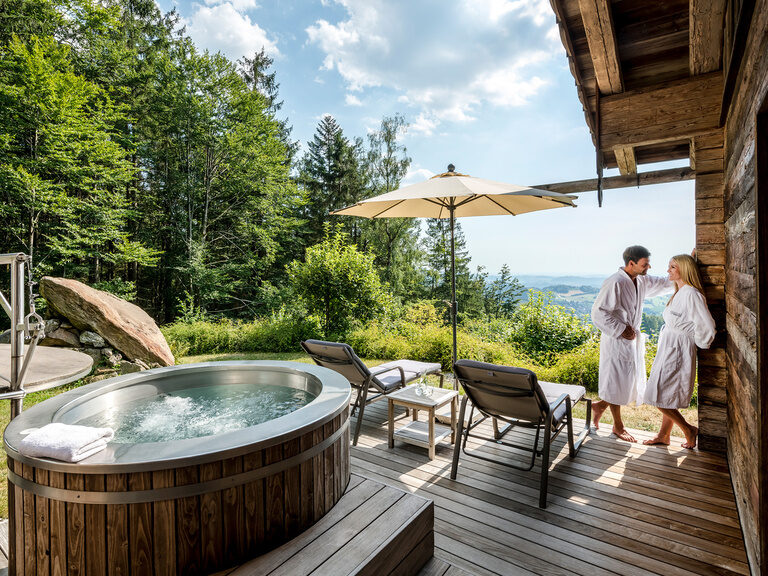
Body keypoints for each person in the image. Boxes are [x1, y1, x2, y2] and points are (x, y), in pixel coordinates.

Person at [591, 246, 673, 442]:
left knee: (624, 381)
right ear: (631, 263)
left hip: (630, 339)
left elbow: (664, 283)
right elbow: (598, 313)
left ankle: (599, 406)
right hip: (616, 340)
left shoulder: (641, 279)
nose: (649, 267)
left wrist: (690, 264)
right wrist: (621, 329)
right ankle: (618, 426)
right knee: (615, 380)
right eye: (645, 264)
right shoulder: (615, 282)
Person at [642, 254, 716, 449]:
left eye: (673, 267)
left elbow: (707, 326)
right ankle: (663, 435)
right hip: (669, 346)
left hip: (678, 350)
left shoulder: (691, 294)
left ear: (684, 270)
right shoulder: (680, 291)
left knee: (659, 396)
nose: (668, 270)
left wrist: (698, 342)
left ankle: (688, 429)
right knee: (666, 395)